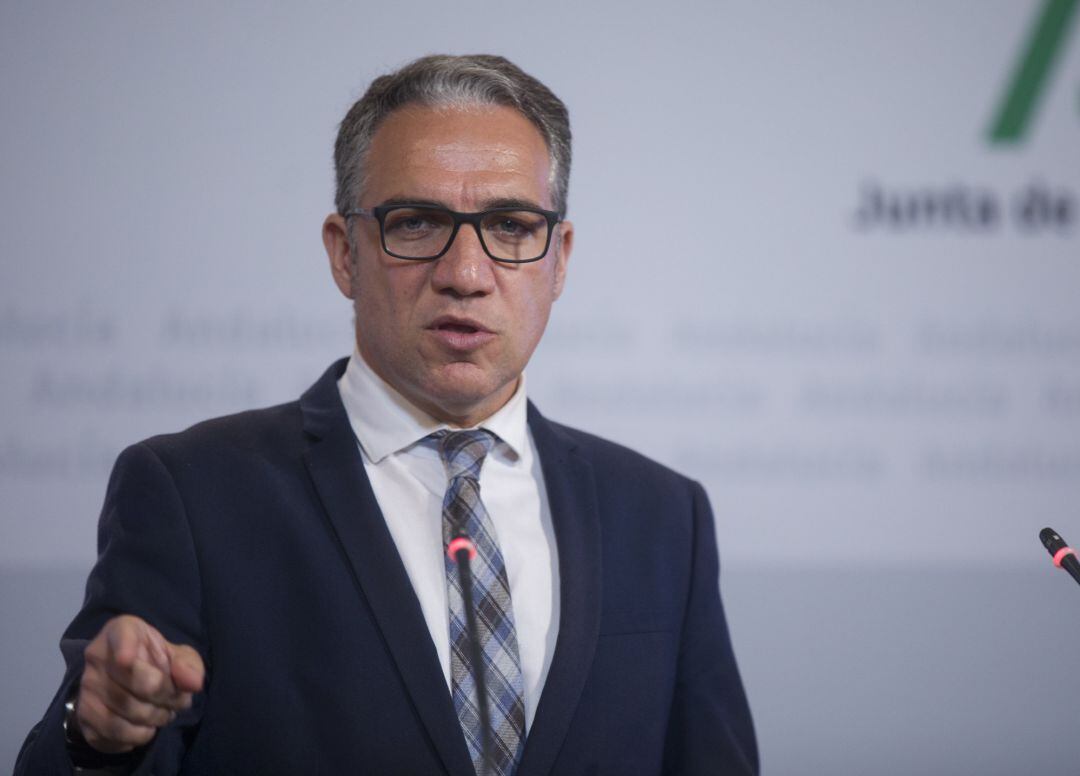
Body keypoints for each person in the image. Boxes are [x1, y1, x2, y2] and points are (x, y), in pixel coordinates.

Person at [15, 54, 758, 775]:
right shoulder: (191, 495)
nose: (466, 275)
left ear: (559, 258)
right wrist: (100, 737)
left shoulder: (664, 516)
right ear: (345, 254)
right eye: (415, 223)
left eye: (510, 227)